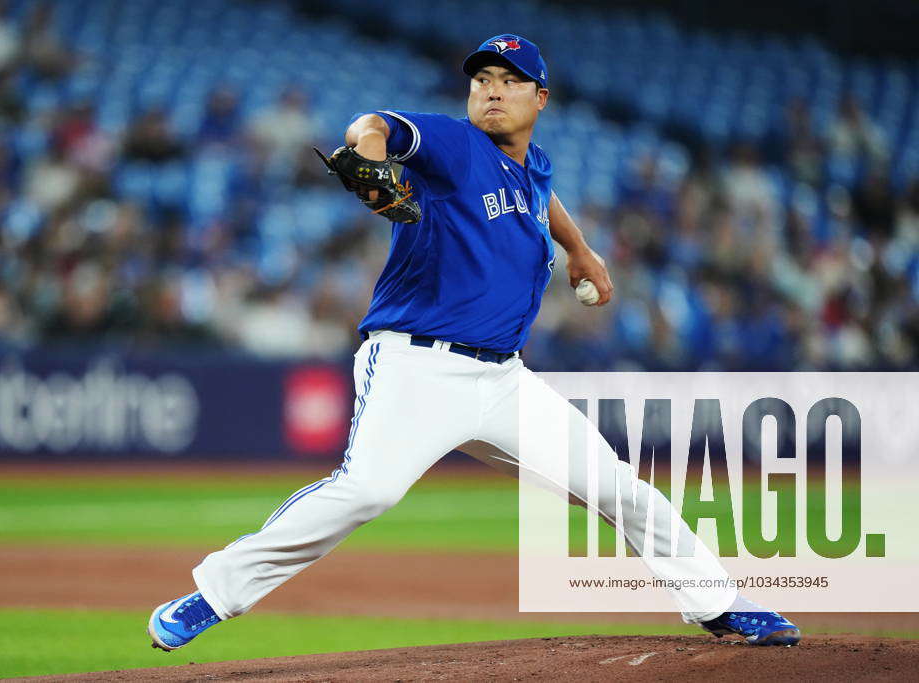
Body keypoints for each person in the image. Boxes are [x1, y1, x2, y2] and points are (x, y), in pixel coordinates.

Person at [147, 34, 801, 651]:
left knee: (617, 486)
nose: (492, 89)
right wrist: (373, 160)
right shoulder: (454, 144)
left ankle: (716, 601)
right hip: (416, 365)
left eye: (511, 81)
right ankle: (212, 593)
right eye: (483, 79)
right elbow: (368, 127)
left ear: (539, 99)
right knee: (368, 490)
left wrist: (580, 249)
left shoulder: (530, 166)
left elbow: (542, 194)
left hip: (504, 380)